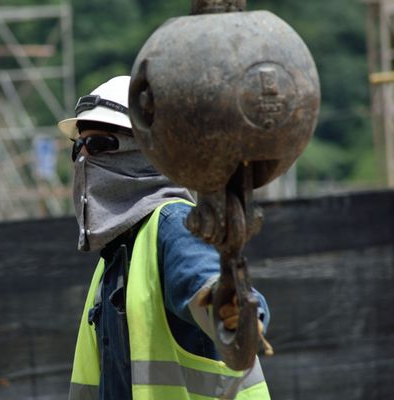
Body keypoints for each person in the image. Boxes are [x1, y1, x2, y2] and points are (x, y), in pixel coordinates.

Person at [58, 75, 271, 400]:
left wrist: (232, 313)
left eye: (100, 144)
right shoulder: (116, 256)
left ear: (149, 151)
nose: (84, 157)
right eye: (78, 147)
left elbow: (219, 291)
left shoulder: (173, 224)